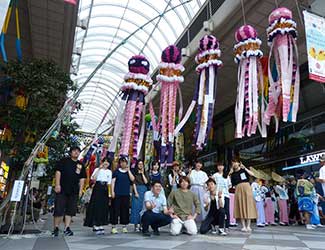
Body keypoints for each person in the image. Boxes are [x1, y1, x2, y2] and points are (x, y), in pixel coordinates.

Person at [52, 146, 86, 237]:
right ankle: (56, 228)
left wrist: (80, 190)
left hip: (74, 190)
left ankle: (67, 228)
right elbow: (58, 172)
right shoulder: (64, 161)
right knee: (59, 209)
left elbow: (82, 178)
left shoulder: (80, 165)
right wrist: (57, 184)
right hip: (62, 189)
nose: (76, 152)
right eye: (74, 151)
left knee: (70, 211)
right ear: (70, 152)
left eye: (78, 151)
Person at [84, 158, 112, 235]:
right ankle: (95, 223)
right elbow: (93, 178)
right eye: (105, 161)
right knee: (96, 205)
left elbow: (109, 182)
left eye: (107, 162)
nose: (106, 163)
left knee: (103, 206)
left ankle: (101, 223)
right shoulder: (97, 169)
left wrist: (110, 193)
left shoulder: (109, 172)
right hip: (98, 187)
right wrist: (99, 169)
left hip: (105, 188)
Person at [229, 160, 257, 232]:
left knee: (248, 205)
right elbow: (230, 183)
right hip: (238, 188)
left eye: (235, 162)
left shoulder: (243, 170)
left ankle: (248, 226)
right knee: (241, 206)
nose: (234, 164)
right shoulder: (233, 174)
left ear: (239, 163)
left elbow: (252, 174)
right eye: (233, 163)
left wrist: (245, 168)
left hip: (247, 187)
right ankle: (243, 226)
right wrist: (230, 173)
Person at [111, 157, 135, 234]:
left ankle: (124, 226)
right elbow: (113, 182)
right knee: (115, 210)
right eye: (121, 162)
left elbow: (132, 179)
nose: (123, 163)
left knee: (125, 210)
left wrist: (128, 171)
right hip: (117, 193)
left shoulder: (128, 172)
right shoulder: (116, 172)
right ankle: (114, 226)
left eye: (124, 162)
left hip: (126, 194)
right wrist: (112, 192)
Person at [130, 160, 149, 232]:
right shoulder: (134, 172)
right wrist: (135, 192)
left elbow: (146, 182)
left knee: (143, 208)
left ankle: (142, 224)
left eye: (142, 164)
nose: (140, 165)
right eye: (139, 164)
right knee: (136, 208)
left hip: (144, 189)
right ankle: (136, 225)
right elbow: (133, 182)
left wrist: (143, 174)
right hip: (137, 189)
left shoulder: (145, 172)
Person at [212, 162, 231, 232]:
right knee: (218, 210)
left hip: (226, 195)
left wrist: (224, 192)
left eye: (221, 166)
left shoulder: (227, 175)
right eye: (219, 165)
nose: (220, 167)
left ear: (223, 167)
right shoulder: (215, 175)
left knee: (226, 210)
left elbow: (229, 185)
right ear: (217, 167)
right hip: (217, 195)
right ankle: (217, 225)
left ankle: (227, 226)